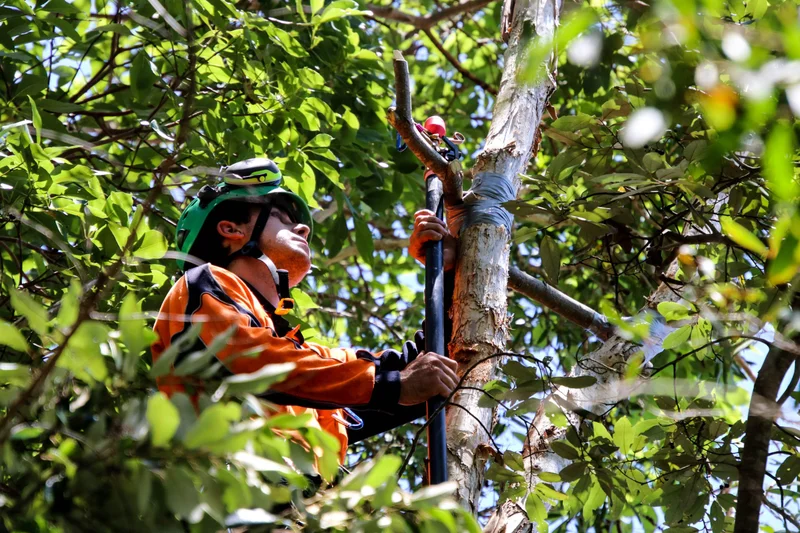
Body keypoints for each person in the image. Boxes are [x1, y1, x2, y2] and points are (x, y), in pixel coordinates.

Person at [151, 157, 458, 465]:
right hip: (231, 496)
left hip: (303, 507)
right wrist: (392, 387)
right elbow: (252, 361)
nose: (302, 227)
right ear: (231, 229)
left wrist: (447, 272)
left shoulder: (312, 368)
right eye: (282, 218)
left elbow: (430, 365)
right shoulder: (201, 284)